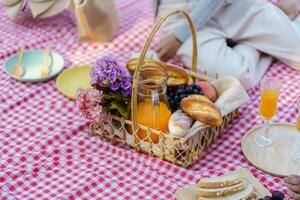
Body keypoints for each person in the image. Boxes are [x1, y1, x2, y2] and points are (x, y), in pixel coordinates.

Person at [155, 0, 300, 89]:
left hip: (231, 4)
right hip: (180, 11)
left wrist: (179, 37)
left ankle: (262, 38)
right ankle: (256, 45)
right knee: (237, 78)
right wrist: (179, 33)